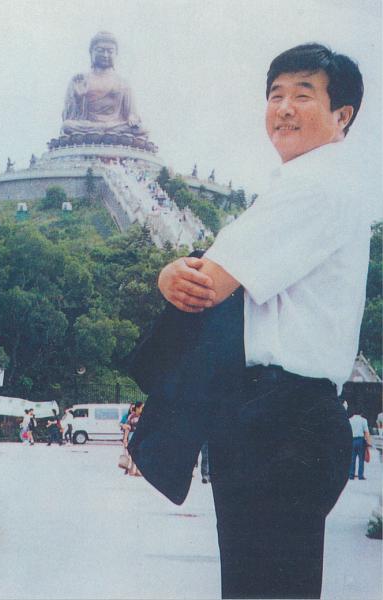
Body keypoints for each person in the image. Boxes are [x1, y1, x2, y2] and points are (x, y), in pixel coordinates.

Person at [133, 43, 370, 600]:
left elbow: (207, 285)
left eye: (303, 95)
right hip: (286, 417)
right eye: (275, 94)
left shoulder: (314, 185)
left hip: (281, 420)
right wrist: (179, 271)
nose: (283, 108)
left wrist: (171, 273)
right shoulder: (313, 183)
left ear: (342, 115)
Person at [61, 31, 147, 139]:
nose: (105, 55)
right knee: (67, 126)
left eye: (110, 51)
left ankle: (102, 134)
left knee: (141, 129)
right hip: (88, 126)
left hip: (115, 126)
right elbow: (68, 117)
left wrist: (132, 118)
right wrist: (78, 98)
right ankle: (104, 135)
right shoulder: (80, 80)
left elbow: (131, 114)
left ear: (116, 54)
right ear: (91, 52)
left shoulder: (122, 83)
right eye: (100, 50)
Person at [349, 408, 371, 480]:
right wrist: (368, 442)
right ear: (361, 413)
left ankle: (351, 475)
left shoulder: (350, 420)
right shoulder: (363, 420)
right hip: (360, 440)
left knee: (352, 458)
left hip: (352, 440)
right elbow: (366, 432)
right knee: (361, 458)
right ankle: (360, 475)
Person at [123, 402, 144, 476]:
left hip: (140, 437)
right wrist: (125, 439)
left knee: (140, 454)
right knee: (133, 453)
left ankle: (138, 470)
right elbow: (127, 428)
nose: (143, 409)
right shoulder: (131, 416)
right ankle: (131, 470)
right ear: (137, 408)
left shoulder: (143, 416)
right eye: (142, 407)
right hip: (132, 436)